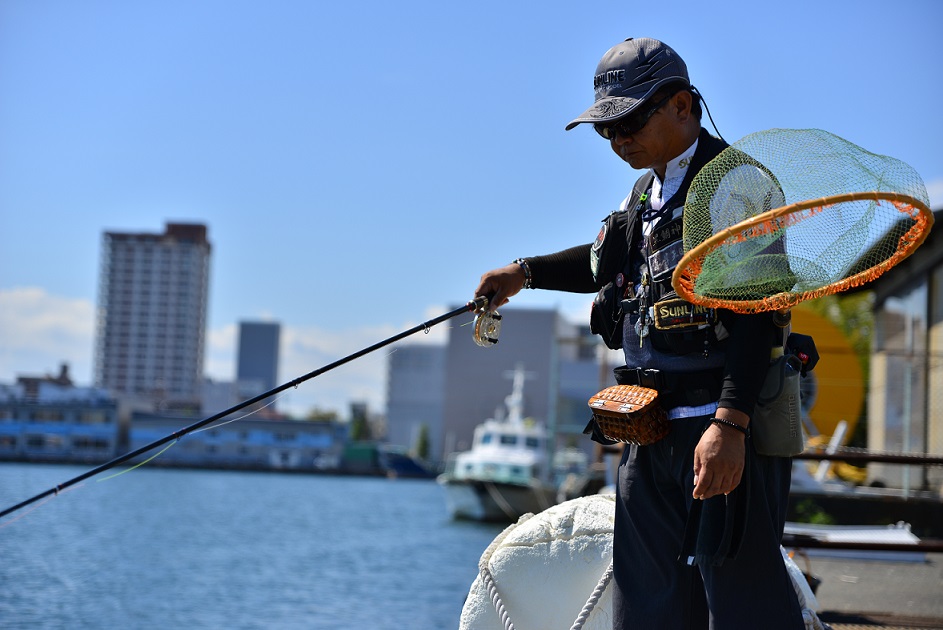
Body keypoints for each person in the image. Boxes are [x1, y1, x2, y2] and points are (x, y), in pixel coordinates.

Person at [474, 38, 806, 629]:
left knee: (745, 608)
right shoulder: (644, 194)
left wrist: (730, 426)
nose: (618, 139)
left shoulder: (737, 187)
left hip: (719, 430)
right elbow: (604, 261)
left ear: (682, 106)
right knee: (647, 608)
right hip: (647, 434)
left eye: (629, 121)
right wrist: (524, 273)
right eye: (607, 130)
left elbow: (759, 314)